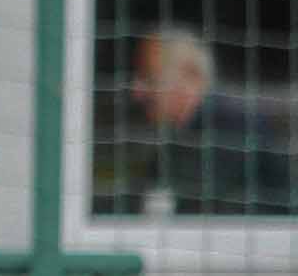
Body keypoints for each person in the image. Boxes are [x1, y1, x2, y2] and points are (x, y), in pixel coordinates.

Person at [108, 27, 295, 217]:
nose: (136, 91)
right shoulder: (181, 135)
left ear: (191, 75)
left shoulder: (232, 126)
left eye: (150, 78)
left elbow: (194, 208)